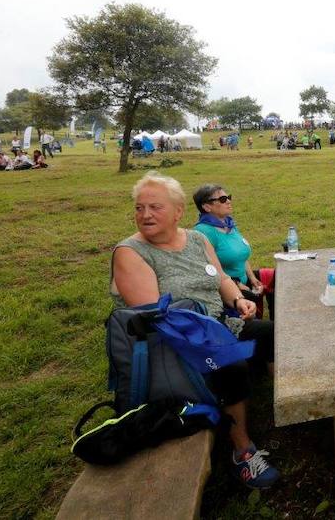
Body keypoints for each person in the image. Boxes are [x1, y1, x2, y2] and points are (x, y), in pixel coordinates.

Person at [111, 172, 280, 488]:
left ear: (177, 212)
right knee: (232, 365)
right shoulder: (131, 253)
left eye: (154, 207)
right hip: (174, 343)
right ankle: (242, 450)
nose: (145, 215)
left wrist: (238, 301)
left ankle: (268, 393)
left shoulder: (198, 240)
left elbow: (221, 279)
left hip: (217, 325)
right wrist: (217, 339)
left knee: (268, 331)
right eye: (139, 207)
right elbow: (157, 321)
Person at [193, 184, 275, 319]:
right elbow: (210, 271)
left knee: (275, 277)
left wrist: (252, 278)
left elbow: (241, 256)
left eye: (228, 197)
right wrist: (238, 285)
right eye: (223, 199)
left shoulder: (228, 224)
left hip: (243, 279)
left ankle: (278, 318)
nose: (229, 201)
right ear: (207, 207)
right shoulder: (203, 232)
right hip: (227, 291)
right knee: (250, 303)